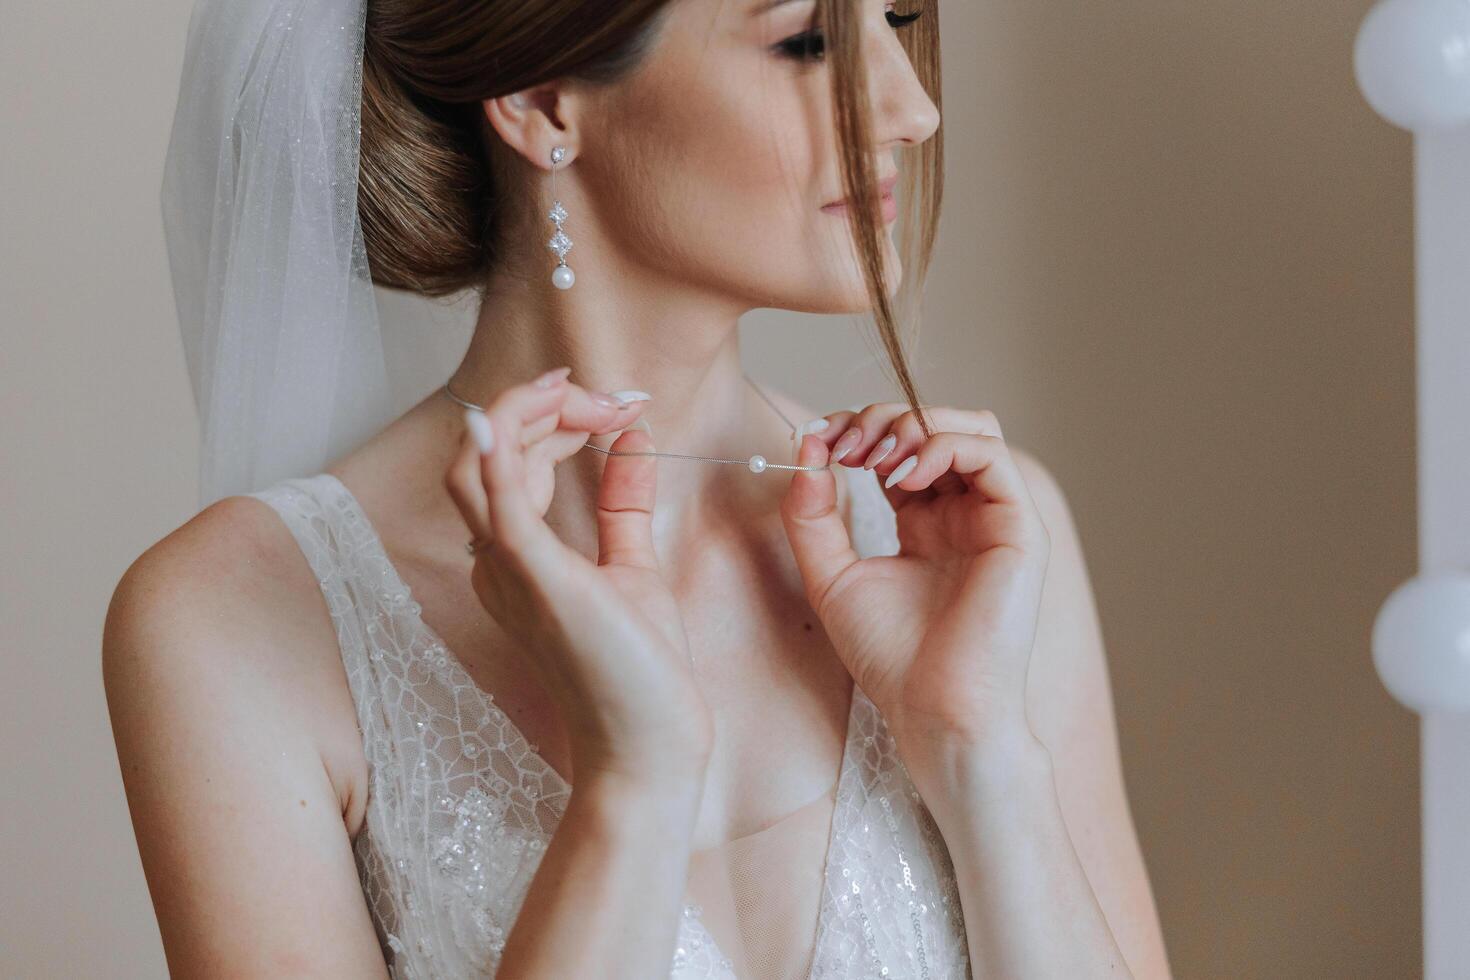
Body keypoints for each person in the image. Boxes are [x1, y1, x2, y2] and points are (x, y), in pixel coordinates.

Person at [103, 0, 1172, 977]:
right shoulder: (232, 621)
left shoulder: (979, 548)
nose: (911, 106)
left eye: (898, 16)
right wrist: (634, 779)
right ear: (540, 100)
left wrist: (979, 749)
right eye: (808, 39)